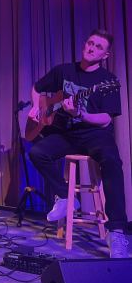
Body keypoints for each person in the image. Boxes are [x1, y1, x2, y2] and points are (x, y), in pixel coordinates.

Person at [28, 29, 129, 258]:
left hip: (95, 134)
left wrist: (82, 115)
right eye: (90, 43)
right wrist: (36, 107)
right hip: (67, 134)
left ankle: (118, 232)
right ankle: (66, 196)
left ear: (105, 55)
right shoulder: (64, 71)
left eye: (98, 47)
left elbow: (105, 120)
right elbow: (37, 88)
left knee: (112, 162)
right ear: (85, 44)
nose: (92, 48)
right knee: (37, 152)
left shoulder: (108, 82)